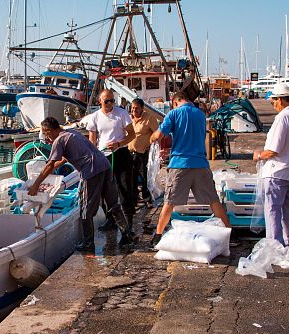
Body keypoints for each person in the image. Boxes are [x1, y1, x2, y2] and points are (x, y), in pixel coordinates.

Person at [28, 117, 135, 251]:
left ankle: (88, 243)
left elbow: (49, 165)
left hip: (91, 171)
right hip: (104, 165)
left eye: (46, 134)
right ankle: (127, 235)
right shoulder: (72, 133)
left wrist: (36, 184)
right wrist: (52, 170)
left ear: (49, 130)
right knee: (113, 204)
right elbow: (63, 159)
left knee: (85, 209)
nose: (47, 138)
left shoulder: (59, 140)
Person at [149, 91, 231, 247]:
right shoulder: (200, 115)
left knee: (170, 202)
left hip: (180, 165)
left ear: (175, 102)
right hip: (201, 164)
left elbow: (159, 135)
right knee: (214, 201)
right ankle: (229, 232)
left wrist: (151, 137)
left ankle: (158, 236)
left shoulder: (173, 114)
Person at [252, 83, 289, 247]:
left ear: (281, 100)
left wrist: (258, 156)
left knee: (273, 211)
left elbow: (273, 150)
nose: (274, 104)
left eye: (273, 101)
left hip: (278, 172)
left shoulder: (283, 118)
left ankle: (274, 245)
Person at [85, 89, 136, 233]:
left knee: (124, 187)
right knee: (105, 189)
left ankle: (129, 220)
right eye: (106, 101)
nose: (109, 103)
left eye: (112, 100)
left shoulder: (122, 113)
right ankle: (110, 219)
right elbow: (92, 140)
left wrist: (119, 144)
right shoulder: (94, 117)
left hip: (120, 153)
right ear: (99, 101)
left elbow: (132, 134)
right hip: (103, 155)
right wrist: (92, 157)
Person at [128, 98, 159, 208]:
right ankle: (134, 199)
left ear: (142, 108)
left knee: (145, 176)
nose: (134, 110)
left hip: (143, 153)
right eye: (132, 108)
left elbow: (157, 133)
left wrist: (150, 144)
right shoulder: (128, 118)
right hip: (130, 152)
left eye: (136, 108)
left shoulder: (149, 118)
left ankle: (147, 199)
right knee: (131, 177)